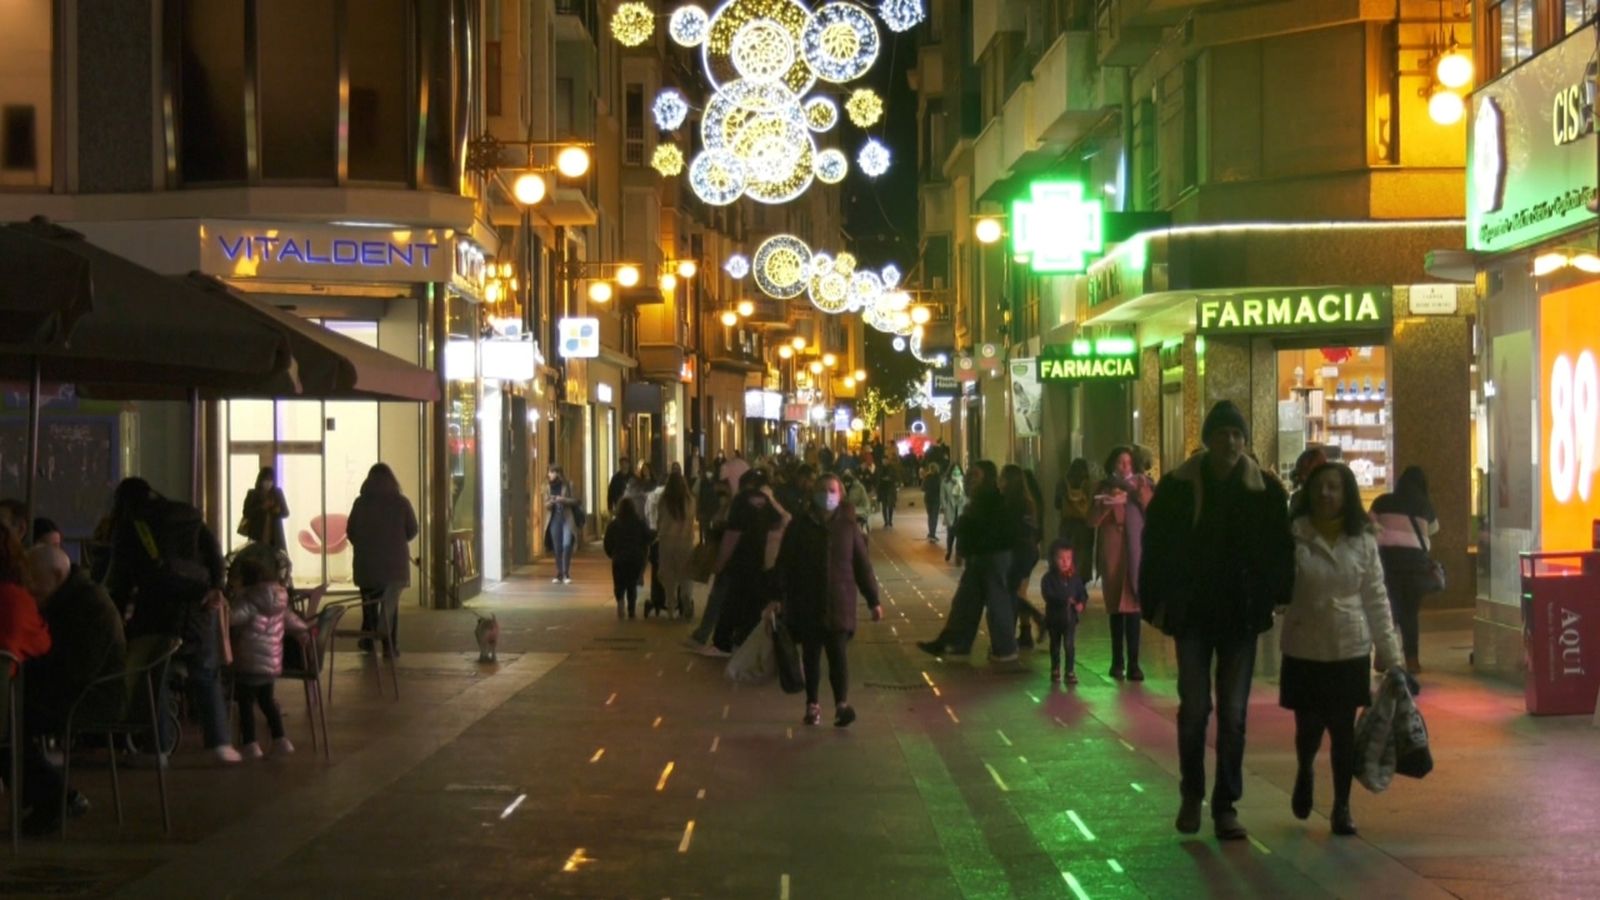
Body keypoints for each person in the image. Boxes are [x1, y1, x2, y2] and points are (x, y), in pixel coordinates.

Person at [1140, 400, 1294, 841]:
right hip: (1193, 613)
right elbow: (1157, 549)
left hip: (1240, 616)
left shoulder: (1264, 491)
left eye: (1237, 434)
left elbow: (1278, 551)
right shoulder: (1177, 487)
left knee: (1233, 710)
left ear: (1246, 441)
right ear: (1207, 439)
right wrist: (1156, 602)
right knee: (1194, 708)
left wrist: (1276, 594)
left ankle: (1226, 804)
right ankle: (1193, 794)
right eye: (1223, 433)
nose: (1230, 441)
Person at [1281, 462, 1406, 837]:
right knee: (1308, 729)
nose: (1326, 494)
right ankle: (1304, 772)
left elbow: (1377, 599)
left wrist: (1393, 657)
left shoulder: (1364, 540)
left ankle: (1341, 806)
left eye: (1334, 488)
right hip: (1305, 646)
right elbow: (1278, 586)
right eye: (1320, 487)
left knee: (1342, 731)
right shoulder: (1294, 535)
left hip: (1348, 647)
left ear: (1346, 494)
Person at [103, 477, 235, 763]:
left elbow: (122, 579)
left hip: (157, 610)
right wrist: (216, 588)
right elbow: (215, 555)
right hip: (199, 607)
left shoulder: (132, 524)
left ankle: (159, 747)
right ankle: (220, 744)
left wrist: (117, 613)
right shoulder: (189, 516)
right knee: (206, 674)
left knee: (154, 679)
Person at [14, 545, 123, 834]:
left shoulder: (86, 606)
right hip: (81, 692)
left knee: (8, 720)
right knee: (8, 716)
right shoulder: (77, 599)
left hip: (89, 700)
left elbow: (72, 671)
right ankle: (54, 798)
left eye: (35, 580)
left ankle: (56, 798)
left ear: (58, 574)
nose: (29, 587)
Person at [777, 474, 883, 727]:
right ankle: (812, 704)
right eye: (822, 490)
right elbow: (785, 564)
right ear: (813, 493)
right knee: (811, 656)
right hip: (807, 602)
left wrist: (873, 600)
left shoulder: (848, 526)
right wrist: (776, 597)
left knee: (838, 655)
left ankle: (841, 705)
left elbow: (862, 565)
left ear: (840, 494)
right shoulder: (799, 526)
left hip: (839, 602)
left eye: (832, 490)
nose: (827, 495)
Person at [915, 461, 1020, 663]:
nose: (970, 480)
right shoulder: (980, 500)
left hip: (992, 556)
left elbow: (982, 529)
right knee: (966, 601)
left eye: (975, 476)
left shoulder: (992, 501)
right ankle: (955, 642)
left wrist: (967, 545)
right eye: (969, 476)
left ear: (987, 479)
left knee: (996, 603)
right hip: (980, 557)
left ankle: (1004, 648)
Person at [228, 554, 308, 758]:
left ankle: (250, 743)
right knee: (267, 701)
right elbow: (294, 622)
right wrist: (305, 630)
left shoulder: (248, 601)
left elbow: (231, 619)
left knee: (245, 702)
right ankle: (281, 739)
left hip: (247, 662)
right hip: (271, 663)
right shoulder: (280, 601)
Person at [1090, 446, 1155, 681]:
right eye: (1120, 462)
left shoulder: (1142, 484)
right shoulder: (1104, 487)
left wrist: (1135, 493)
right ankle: (1117, 661)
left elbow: (1153, 511)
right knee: (1116, 610)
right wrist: (1107, 503)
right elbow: (1092, 520)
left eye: (1128, 462)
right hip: (1113, 555)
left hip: (1135, 553)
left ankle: (1135, 663)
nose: (1124, 466)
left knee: (1134, 608)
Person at [1370, 465, 1439, 673]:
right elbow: (1434, 529)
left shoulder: (1382, 501)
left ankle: (1383, 656)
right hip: (1415, 565)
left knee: (1388, 610)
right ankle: (1412, 660)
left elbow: (1369, 524)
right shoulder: (1425, 505)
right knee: (1410, 612)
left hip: (1387, 563)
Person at [347, 463, 419, 656]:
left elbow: (351, 532)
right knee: (390, 608)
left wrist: (365, 546)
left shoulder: (360, 503)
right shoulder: (401, 502)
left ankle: (369, 641)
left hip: (366, 566)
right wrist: (396, 541)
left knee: (369, 605)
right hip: (394, 568)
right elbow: (412, 530)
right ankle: (389, 646)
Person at [711, 470, 784, 652]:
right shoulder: (765, 500)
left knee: (733, 601)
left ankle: (723, 641)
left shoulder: (740, 501)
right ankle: (745, 638)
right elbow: (779, 521)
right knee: (753, 603)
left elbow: (732, 534)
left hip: (740, 560)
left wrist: (720, 562)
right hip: (760, 561)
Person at [1002, 464, 1045, 649]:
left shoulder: (1012, 502)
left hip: (1018, 552)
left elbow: (1011, 530)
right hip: (1028, 552)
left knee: (1010, 594)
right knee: (1016, 592)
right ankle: (1024, 632)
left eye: (1002, 478)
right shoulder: (1028, 501)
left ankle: (1036, 619)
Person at [1040, 540, 1088, 684]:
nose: (1065, 562)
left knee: (1069, 646)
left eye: (1068, 558)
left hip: (1070, 620)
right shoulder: (1048, 579)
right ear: (1053, 559)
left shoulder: (1075, 578)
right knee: (1055, 645)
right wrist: (1065, 600)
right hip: (1054, 619)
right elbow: (1048, 595)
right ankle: (1055, 669)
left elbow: (1082, 594)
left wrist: (1081, 603)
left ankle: (1070, 670)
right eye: (1061, 558)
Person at [655, 472, 697, 619]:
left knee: (668, 575)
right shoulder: (689, 500)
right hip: (685, 542)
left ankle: (671, 607)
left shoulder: (664, 500)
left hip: (667, 541)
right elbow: (692, 519)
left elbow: (658, 520)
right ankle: (686, 598)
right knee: (686, 575)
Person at [603, 498, 651, 619]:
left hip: (619, 558)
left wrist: (612, 554)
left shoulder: (613, 525)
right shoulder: (639, 523)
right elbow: (648, 537)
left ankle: (620, 602)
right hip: (635, 559)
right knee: (632, 585)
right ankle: (631, 610)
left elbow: (607, 543)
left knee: (619, 583)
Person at [1055, 458, 1096, 583]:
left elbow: (1056, 504)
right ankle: (1080, 583)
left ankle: (1067, 579)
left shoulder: (1062, 482)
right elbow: (1094, 505)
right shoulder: (1090, 484)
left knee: (1066, 554)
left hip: (1067, 524)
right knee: (1083, 555)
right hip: (1085, 525)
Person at [238, 466, 290, 552]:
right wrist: (262, 507)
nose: (268, 483)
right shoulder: (252, 494)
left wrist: (277, 510)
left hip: (275, 536)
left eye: (271, 480)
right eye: (266, 480)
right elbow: (246, 513)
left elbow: (286, 513)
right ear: (261, 480)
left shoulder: (277, 493)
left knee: (277, 561)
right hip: (256, 534)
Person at [543, 466, 579, 584]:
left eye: (552, 472)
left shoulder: (568, 484)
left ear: (558, 473)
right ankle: (559, 573)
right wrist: (551, 502)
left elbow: (576, 501)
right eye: (549, 472)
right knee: (557, 547)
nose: (550, 474)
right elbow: (546, 504)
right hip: (554, 519)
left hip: (567, 518)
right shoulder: (547, 486)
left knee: (567, 544)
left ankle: (566, 573)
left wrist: (562, 499)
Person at [941, 463, 966, 562]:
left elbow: (967, 495)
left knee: (960, 534)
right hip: (951, 510)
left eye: (958, 470)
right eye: (954, 470)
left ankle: (958, 554)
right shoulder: (945, 482)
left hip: (961, 509)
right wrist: (945, 507)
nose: (956, 472)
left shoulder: (963, 481)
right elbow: (942, 496)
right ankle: (949, 551)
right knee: (950, 533)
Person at [921, 463, 943, 543]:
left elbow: (923, 488)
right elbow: (941, 489)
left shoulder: (927, 477)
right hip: (936, 499)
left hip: (928, 498)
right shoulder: (939, 478)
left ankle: (931, 533)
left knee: (930, 516)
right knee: (934, 517)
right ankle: (932, 534)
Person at [876, 457, 900, 528]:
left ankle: (890, 520)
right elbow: (877, 478)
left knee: (890, 505)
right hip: (883, 489)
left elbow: (896, 477)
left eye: (886, 461)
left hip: (890, 489)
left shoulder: (892, 468)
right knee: (884, 506)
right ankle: (885, 521)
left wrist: (890, 478)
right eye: (883, 461)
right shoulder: (880, 469)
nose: (884, 462)